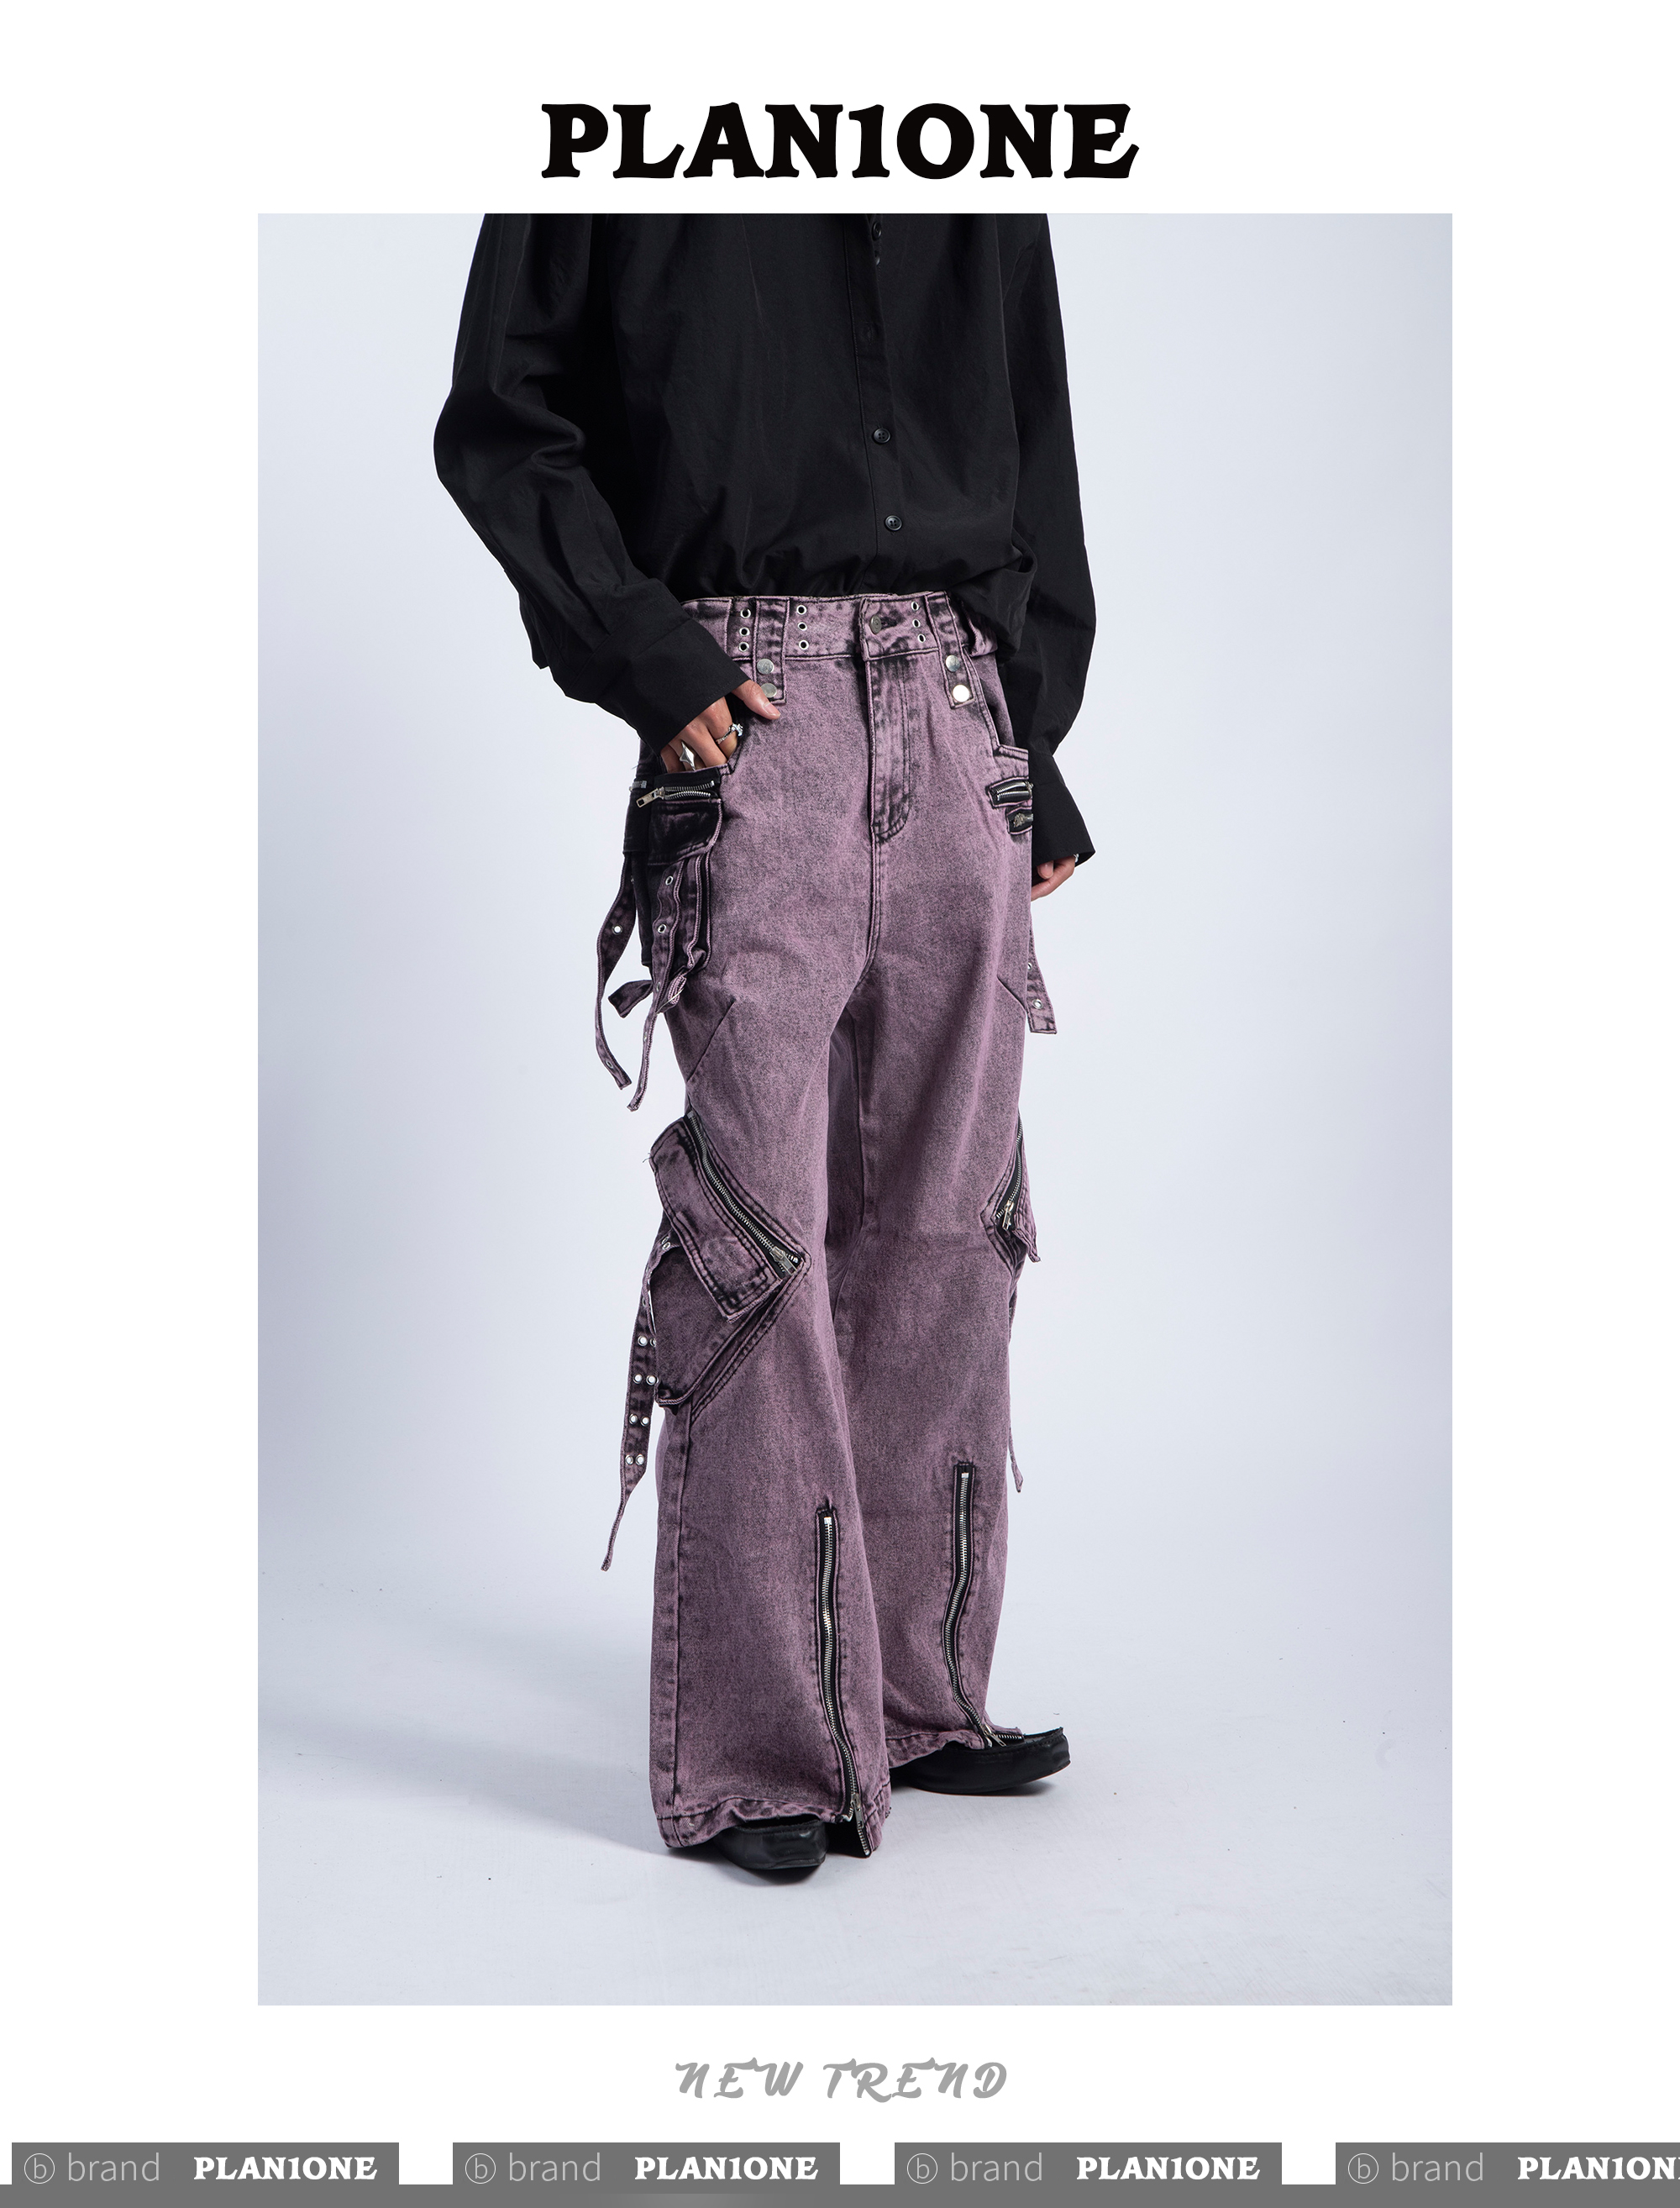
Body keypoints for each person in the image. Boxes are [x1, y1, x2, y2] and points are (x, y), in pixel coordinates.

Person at [435, 213, 1095, 1875]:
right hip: (751, 703)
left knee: (953, 1225)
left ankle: (912, 1697)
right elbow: (503, 419)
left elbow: (1035, 436)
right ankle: (761, 1752)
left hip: (960, 709)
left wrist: (1030, 736)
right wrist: (650, 654)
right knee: (755, 1233)